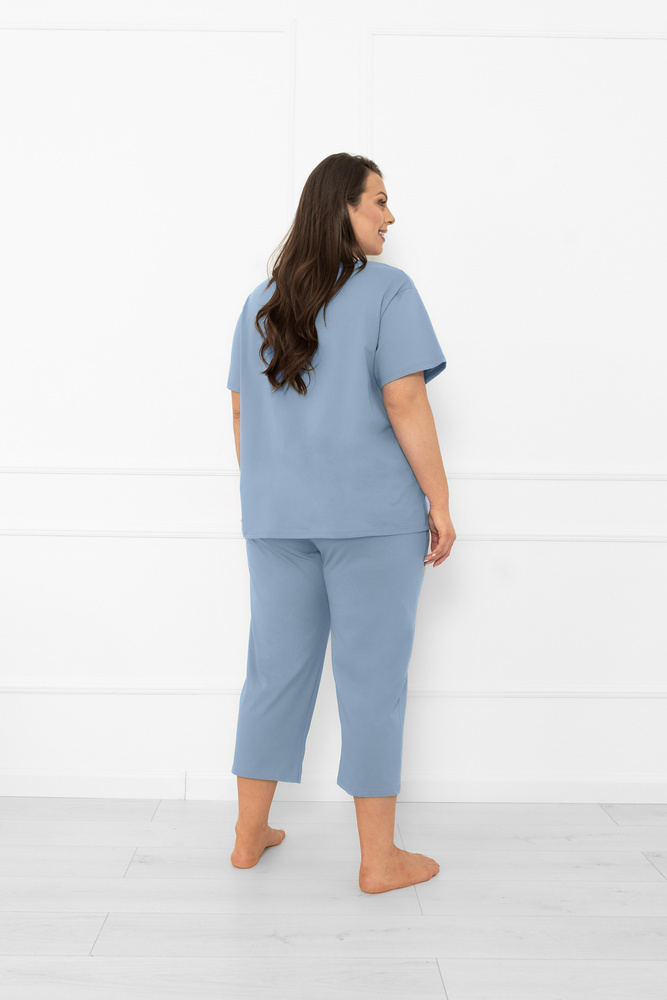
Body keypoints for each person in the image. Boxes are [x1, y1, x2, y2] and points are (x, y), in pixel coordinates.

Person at [226, 153, 456, 894]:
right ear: (343, 208)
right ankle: (379, 860)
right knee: (371, 680)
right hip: (370, 519)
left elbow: (241, 413)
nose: (389, 216)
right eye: (378, 201)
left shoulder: (261, 301)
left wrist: (274, 494)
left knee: (273, 672)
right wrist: (439, 501)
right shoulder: (388, 290)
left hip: (275, 519)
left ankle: (248, 836)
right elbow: (405, 399)